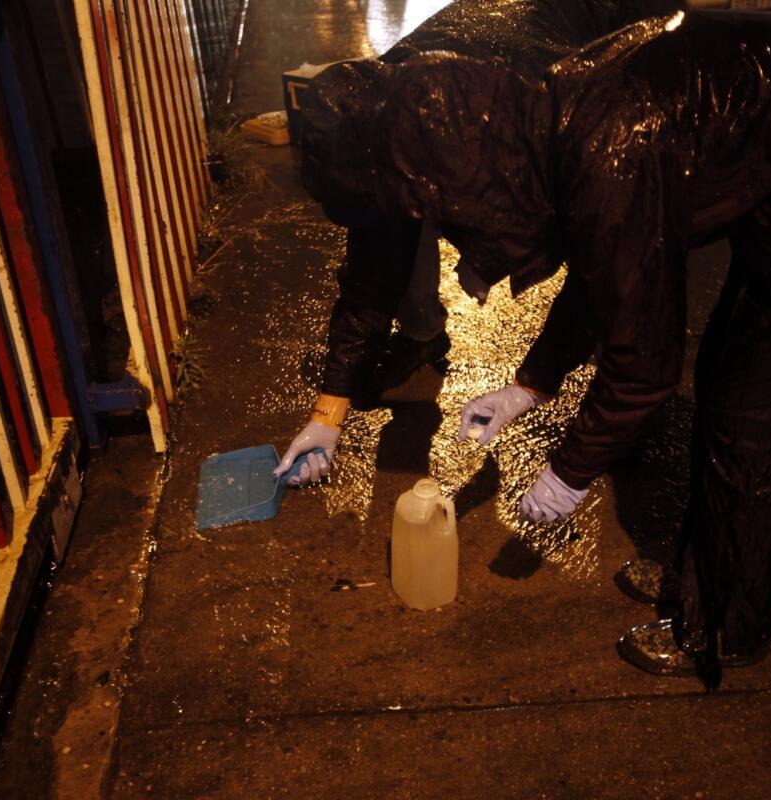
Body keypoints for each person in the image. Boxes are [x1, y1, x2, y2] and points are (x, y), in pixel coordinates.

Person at [318, 10, 771, 686]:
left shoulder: (607, 157)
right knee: (727, 377)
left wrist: (570, 471)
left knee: (755, 419)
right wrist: (532, 384)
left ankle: (723, 627)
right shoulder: (548, 124)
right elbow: (612, 274)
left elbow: (644, 363)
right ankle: (702, 576)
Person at [274, 0, 689, 486]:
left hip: (627, 39)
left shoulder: (510, 124)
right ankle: (427, 335)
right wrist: (327, 412)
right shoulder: (376, 122)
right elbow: (371, 272)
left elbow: (598, 260)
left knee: (629, 259)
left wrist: (537, 390)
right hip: (496, 57)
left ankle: (624, 415)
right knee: (395, 224)